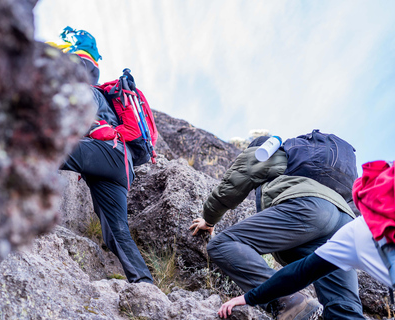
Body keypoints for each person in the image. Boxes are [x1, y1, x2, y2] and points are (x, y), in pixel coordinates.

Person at [190, 135, 364, 319]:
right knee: (343, 304)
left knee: (224, 244)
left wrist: (209, 219)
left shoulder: (267, 152)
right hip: (345, 220)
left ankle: (288, 301)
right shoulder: (311, 170)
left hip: (310, 210)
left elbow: (234, 184)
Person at [217, 160, 395, 319]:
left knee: (222, 243)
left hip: (314, 215)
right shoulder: (353, 231)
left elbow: (299, 273)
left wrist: (249, 297)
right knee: (343, 310)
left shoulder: (354, 234)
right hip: (340, 217)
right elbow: (300, 273)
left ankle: (291, 302)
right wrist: (250, 297)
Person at [55, 30, 153, 284]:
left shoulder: (87, 91)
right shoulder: (107, 99)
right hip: (122, 165)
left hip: (107, 152)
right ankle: (143, 282)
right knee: (117, 231)